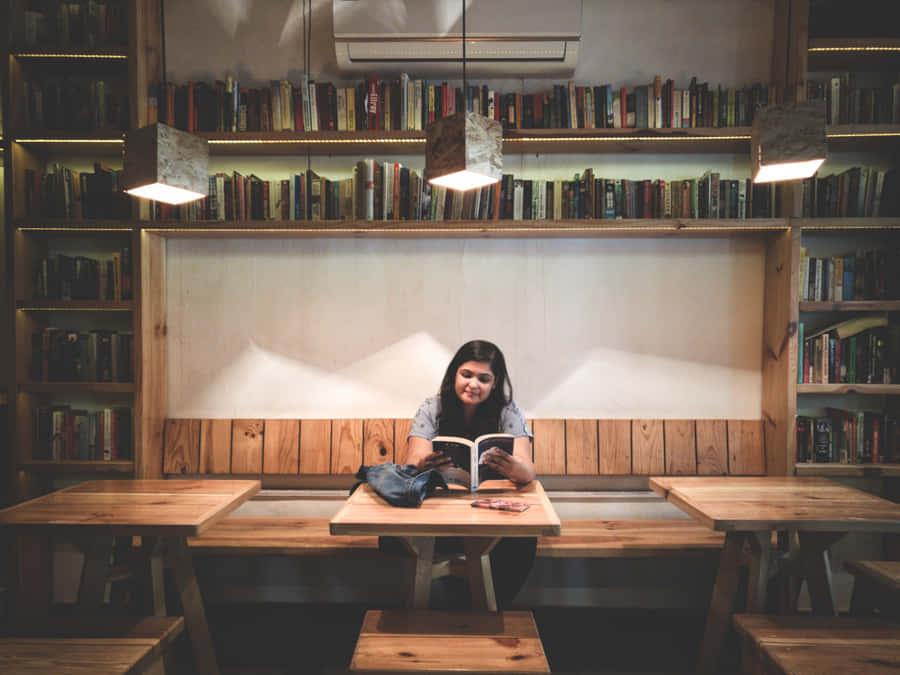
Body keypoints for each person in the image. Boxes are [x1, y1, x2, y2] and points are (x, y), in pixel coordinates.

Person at [402, 339, 537, 609]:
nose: (473, 384)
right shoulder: (432, 408)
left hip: (489, 508)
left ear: (495, 383)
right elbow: (411, 462)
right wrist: (425, 463)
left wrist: (513, 467)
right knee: (404, 533)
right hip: (439, 507)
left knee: (524, 537)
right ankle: (448, 609)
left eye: (484, 378)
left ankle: (488, 610)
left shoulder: (507, 411)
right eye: (467, 375)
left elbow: (528, 471)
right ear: (454, 374)